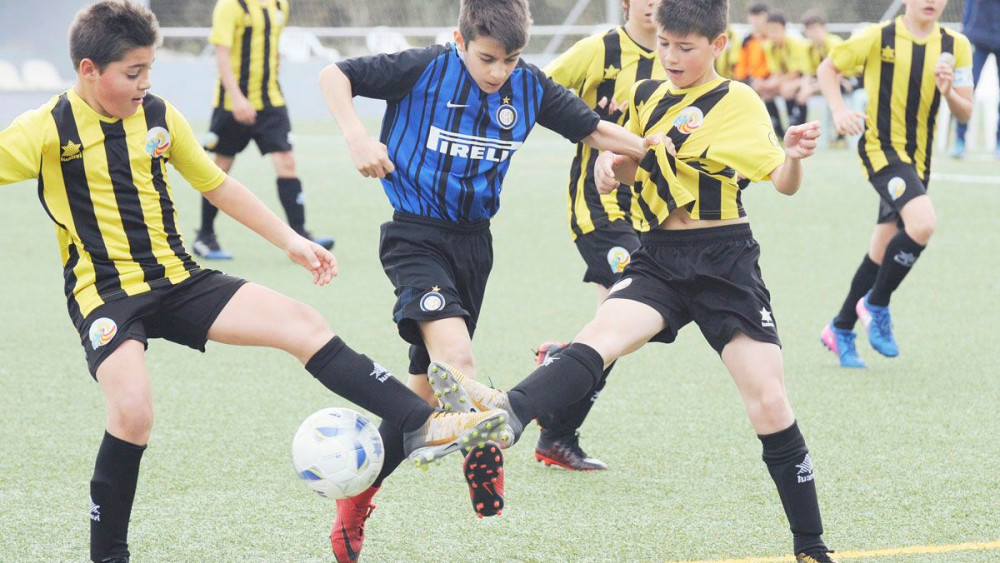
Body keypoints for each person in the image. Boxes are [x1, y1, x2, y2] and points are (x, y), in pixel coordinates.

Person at [0, 3, 506, 561]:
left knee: (302, 322)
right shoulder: (47, 128)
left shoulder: (161, 117)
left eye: (150, 70)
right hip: (106, 296)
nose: (145, 84)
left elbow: (217, 186)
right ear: (89, 70)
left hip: (179, 279)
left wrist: (291, 241)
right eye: (132, 74)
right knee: (133, 412)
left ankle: (424, 423)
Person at [427, 0, 839, 560]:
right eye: (664, 43)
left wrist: (792, 157)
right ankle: (508, 416)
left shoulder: (737, 100)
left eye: (685, 48)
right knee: (601, 337)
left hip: (725, 263)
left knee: (768, 402)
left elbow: (782, 182)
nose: (670, 56)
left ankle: (811, 546)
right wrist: (610, 169)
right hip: (659, 257)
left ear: (718, 46)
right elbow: (626, 162)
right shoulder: (645, 95)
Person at [318, 0, 649, 558]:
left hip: (475, 246)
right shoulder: (425, 66)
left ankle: (356, 497)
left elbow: (594, 130)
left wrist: (653, 150)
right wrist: (355, 135)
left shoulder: (529, 86)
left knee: (417, 401)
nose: (498, 72)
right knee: (459, 365)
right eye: (487, 58)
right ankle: (486, 447)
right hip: (415, 237)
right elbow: (335, 75)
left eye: (510, 60)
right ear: (459, 39)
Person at [533, 0, 665, 472]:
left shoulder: (682, 58)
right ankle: (557, 428)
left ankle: (560, 366)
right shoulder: (600, 50)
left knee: (626, 328)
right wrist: (587, 125)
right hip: (600, 209)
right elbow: (535, 90)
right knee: (631, 312)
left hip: (653, 214)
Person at [817, 0, 973, 368]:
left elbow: (965, 110)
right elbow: (828, 68)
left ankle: (839, 328)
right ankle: (876, 304)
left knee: (881, 250)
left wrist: (949, 90)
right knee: (924, 223)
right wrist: (839, 111)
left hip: (919, 162)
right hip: (881, 150)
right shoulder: (877, 37)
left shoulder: (956, 45)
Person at [194, 0, 333, 260]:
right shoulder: (230, 6)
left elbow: (274, 49)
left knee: (286, 161)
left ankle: (300, 234)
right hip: (232, 103)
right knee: (221, 165)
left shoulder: (279, 5)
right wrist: (236, 98)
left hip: (271, 102)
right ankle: (204, 236)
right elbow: (221, 55)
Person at [950, 0, 1000, 159]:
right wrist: (966, 30)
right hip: (977, 36)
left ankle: (999, 142)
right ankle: (959, 140)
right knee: (967, 89)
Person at [753, 12, 810, 136]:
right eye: (770, 31)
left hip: (807, 77)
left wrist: (770, 83)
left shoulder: (795, 44)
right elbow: (777, 73)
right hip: (787, 79)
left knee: (787, 89)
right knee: (765, 91)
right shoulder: (768, 46)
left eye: (776, 31)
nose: (772, 34)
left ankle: (795, 127)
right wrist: (765, 84)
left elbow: (795, 73)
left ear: (784, 30)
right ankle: (777, 132)